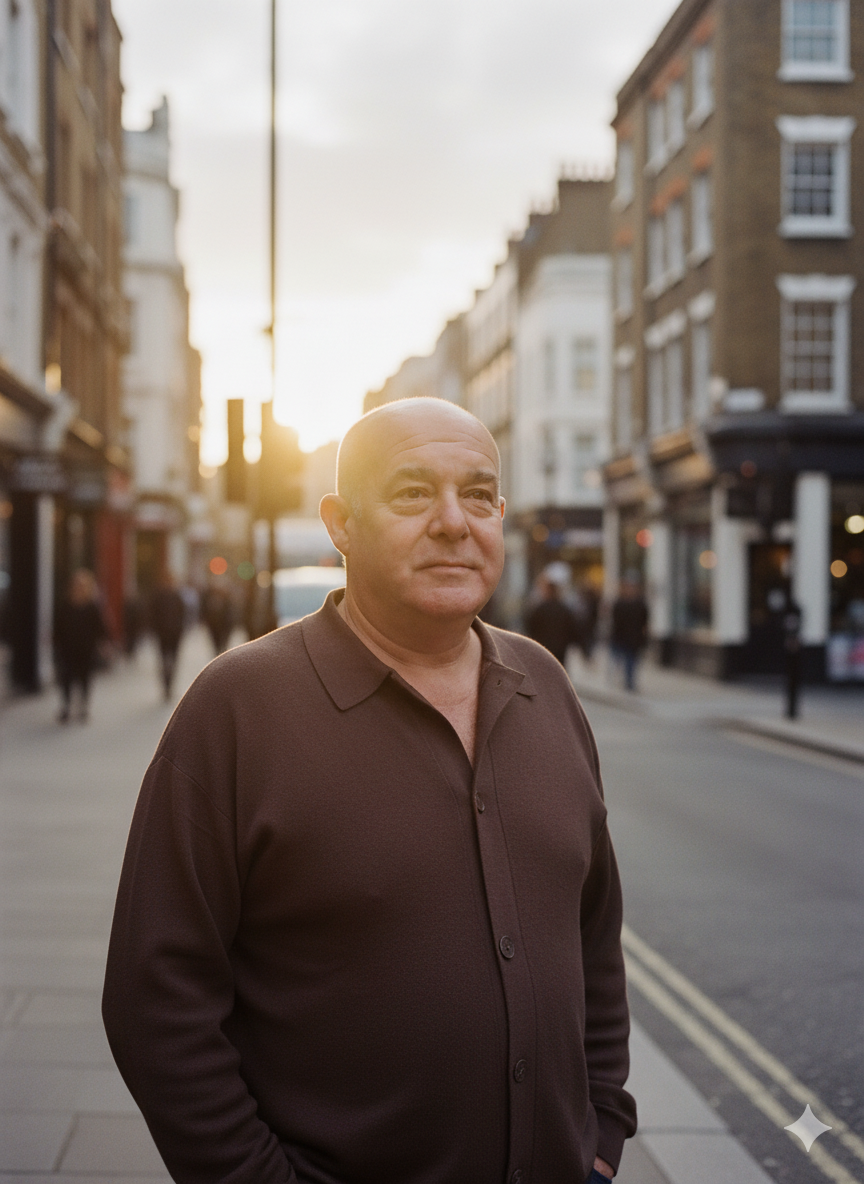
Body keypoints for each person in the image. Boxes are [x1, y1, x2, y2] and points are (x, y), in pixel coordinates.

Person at [103, 398, 636, 1184]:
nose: (455, 522)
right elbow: (157, 999)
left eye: (480, 494)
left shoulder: (545, 684)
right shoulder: (236, 708)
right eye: (414, 493)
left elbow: (593, 936)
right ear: (341, 522)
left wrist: (601, 1133)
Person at [54, 568, 108, 723]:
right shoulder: (65, 606)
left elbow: (100, 627)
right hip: (67, 648)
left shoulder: (92, 606)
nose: (79, 588)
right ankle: (66, 706)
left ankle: (83, 706)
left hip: (86, 649)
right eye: (76, 585)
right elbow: (58, 626)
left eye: (82, 585)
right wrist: (55, 642)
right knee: (66, 678)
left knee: (85, 678)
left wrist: (104, 644)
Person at [524, 570, 581, 665]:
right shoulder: (564, 609)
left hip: (542, 648)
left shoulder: (539, 609)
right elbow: (573, 629)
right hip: (560, 649)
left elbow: (530, 627)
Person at [149, 575, 187, 700]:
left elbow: (183, 615)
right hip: (162, 634)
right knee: (164, 660)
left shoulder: (177, 597)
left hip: (175, 634)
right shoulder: (158, 596)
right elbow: (152, 615)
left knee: (173, 661)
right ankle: (166, 686)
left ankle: (169, 686)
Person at [610, 574, 649, 692]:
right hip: (621, 637)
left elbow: (645, 621)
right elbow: (615, 621)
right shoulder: (619, 603)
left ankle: (629, 681)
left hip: (634, 638)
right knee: (620, 659)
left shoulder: (640, 604)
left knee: (631, 660)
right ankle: (624, 679)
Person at [199, 579, 234, 654]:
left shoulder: (227, 599)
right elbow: (204, 609)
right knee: (216, 644)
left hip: (224, 625)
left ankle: (221, 653)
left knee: (223, 644)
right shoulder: (208, 596)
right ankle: (218, 653)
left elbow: (230, 612)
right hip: (213, 625)